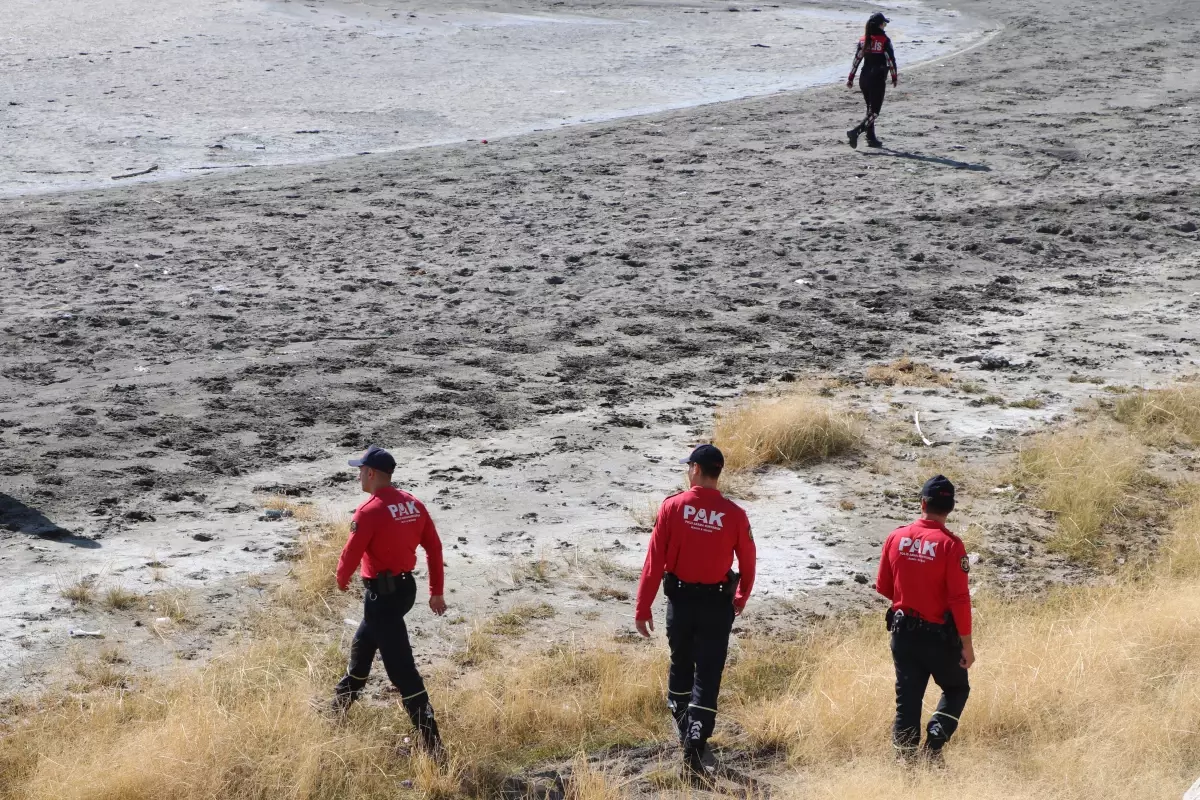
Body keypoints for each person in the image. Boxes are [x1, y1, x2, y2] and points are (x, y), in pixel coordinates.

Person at [634, 444, 756, 783]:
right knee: (708, 673)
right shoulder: (734, 514)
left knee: (681, 665)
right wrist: (742, 596)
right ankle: (696, 739)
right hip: (717, 605)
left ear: (696, 470)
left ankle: (687, 735)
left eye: (689, 467)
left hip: (682, 602)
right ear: (718, 473)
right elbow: (748, 561)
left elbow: (653, 562)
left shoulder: (673, 507)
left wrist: (643, 606)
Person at [332, 445, 448, 757]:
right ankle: (336, 711)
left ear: (371, 473)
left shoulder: (369, 511)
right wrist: (436, 591)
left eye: (360, 470)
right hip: (404, 591)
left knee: (402, 672)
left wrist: (341, 579)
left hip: (380, 597)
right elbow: (434, 549)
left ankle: (433, 745)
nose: (358, 475)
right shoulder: (413, 504)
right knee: (363, 648)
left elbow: (351, 553)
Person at [875, 475, 974, 766]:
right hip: (938, 638)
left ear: (922, 503)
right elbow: (959, 599)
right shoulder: (951, 546)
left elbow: (884, 587)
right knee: (957, 688)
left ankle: (905, 767)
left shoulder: (896, 536)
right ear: (950, 508)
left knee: (908, 701)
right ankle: (933, 746)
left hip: (903, 633)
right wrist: (967, 644)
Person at [846, 12, 899, 149]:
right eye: (884, 24)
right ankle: (855, 132)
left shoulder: (864, 40)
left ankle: (871, 138)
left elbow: (856, 60)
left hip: (864, 78)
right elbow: (891, 60)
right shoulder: (884, 40)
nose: (885, 26)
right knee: (875, 112)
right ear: (880, 25)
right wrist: (894, 76)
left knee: (870, 109)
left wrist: (851, 77)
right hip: (877, 78)